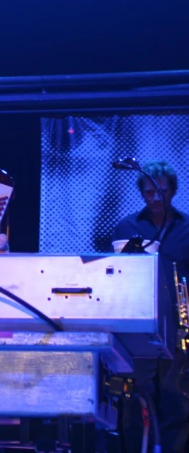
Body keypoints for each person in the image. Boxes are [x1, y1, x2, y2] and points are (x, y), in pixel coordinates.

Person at [113, 161, 189, 453]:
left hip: (178, 326)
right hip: (139, 326)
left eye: (162, 192)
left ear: (172, 191)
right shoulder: (128, 226)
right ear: (142, 193)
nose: (156, 199)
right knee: (136, 397)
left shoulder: (186, 226)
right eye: (149, 193)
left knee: (177, 398)